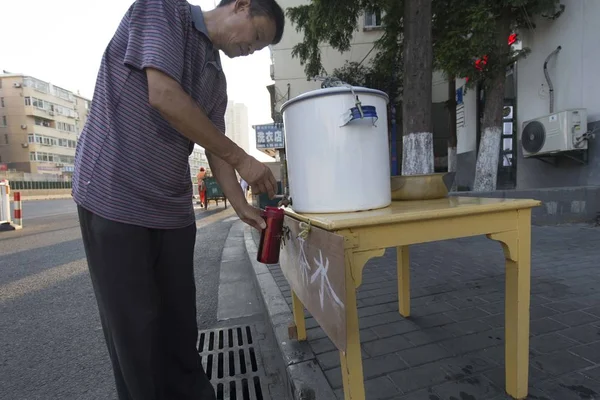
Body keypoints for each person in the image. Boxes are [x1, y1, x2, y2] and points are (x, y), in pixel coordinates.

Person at [71, 0, 285, 399]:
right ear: (240, 6)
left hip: (170, 208)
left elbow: (217, 150)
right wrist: (244, 158)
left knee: (179, 326)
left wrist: (243, 208)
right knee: (137, 332)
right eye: (256, 37)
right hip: (115, 197)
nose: (250, 50)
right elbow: (163, 94)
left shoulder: (216, 80)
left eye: (259, 49)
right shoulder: (163, 10)